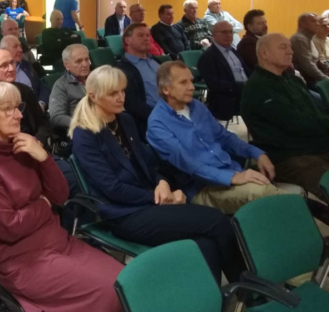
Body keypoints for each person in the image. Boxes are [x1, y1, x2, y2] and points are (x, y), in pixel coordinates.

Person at [70, 65, 243, 284]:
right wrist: (159, 197)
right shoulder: (85, 136)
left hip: (148, 200)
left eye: (122, 91)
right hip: (124, 214)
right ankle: (248, 289)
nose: (121, 97)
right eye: (113, 93)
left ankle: (214, 297)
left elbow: (147, 163)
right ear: (93, 96)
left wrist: (162, 183)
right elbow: (112, 189)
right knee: (217, 221)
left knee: (205, 242)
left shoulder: (125, 121)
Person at [0, 82, 124, 312]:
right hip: (23, 260)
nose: (19, 115)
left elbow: (60, 195)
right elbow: (9, 228)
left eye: (18, 107)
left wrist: (43, 157)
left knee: (125, 282)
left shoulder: (24, 145)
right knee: (109, 294)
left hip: (59, 242)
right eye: (8, 109)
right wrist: (43, 203)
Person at [147, 61, 281, 214]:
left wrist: (256, 153)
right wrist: (232, 177)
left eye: (191, 81)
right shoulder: (158, 124)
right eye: (183, 82)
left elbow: (224, 138)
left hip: (229, 169)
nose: (192, 87)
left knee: (272, 169)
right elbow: (189, 165)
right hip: (203, 187)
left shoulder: (197, 107)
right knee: (264, 194)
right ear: (166, 89)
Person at [241, 33, 329, 200]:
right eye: (283, 47)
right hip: (289, 156)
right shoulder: (258, 89)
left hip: (315, 145)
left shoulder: (292, 80)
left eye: (290, 47)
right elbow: (299, 124)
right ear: (264, 53)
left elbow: (316, 113)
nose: (291, 51)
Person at [0, 49, 49, 149]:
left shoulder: (25, 91)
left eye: (12, 63)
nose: (11, 69)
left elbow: (42, 122)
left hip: (32, 146)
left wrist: (39, 141)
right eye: (4, 65)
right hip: (1, 152)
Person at [197, 21, 249, 122]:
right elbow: (214, 84)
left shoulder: (233, 51)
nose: (229, 35)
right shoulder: (208, 57)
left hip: (246, 92)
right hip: (228, 98)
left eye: (231, 32)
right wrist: (241, 86)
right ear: (214, 35)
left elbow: (245, 71)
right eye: (224, 32)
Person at [116, 23, 159, 136]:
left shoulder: (156, 62)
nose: (146, 38)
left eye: (148, 35)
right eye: (140, 35)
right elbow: (133, 105)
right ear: (128, 40)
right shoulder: (123, 70)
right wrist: (162, 116)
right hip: (151, 122)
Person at [0, 35, 49, 108]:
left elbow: (41, 86)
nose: (21, 50)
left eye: (20, 46)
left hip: (35, 108)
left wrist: (41, 103)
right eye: (15, 47)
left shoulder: (26, 65)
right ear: (4, 50)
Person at [49, 44, 89, 133]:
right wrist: (83, 124)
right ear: (67, 65)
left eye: (87, 59)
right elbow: (56, 117)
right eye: (78, 61)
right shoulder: (61, 85)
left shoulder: (96, 79)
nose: (85, 64)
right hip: (81, 130)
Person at [290, 12, 329, 90]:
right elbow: (307, 65)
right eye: (313, 21)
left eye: (317, 21)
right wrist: (326, 79)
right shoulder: (299, 39)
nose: (317, 24)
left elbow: (310, 61)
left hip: (311, 79)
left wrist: (318, 63)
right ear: (302, 24)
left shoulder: (307, 38)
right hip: (305, 81)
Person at [237, 9, 268, 75]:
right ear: (250, 27)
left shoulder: (262, 40)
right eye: (260, 23)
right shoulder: (247, 43)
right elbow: (262, 65)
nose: (265, 26)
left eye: (265, 22)